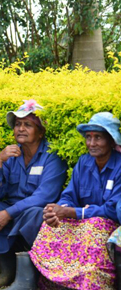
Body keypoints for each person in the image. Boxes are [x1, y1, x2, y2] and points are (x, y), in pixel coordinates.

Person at [0, 100, 67, 288]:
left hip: (34, 215)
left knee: (34, 213)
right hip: (14, 211)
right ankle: (8, 270)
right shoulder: (11, 154)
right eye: (18, 124)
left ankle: (30, 274)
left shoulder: (52, 156)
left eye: (28, 125)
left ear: (41, 132)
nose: (20, 129)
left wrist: (9, 213)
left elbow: (44, 196)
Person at [26, 112, 121, 290]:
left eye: (98, 138)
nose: (91, 144)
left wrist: (74, 213)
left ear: (111, 140)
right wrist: (60, 210)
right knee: (51, 224)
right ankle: (54, 282)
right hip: (83, 221)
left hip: (108, 225)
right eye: (89, 137)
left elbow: (112, 210)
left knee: (96, 226)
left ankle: (90, 284)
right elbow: (69, 195)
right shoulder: (84, 163)